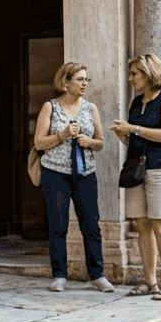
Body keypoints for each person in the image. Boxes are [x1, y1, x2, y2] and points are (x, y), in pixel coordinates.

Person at [33, 62, 114, 293]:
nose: (84, 83)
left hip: (85, 173)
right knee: (58, 225)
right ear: (65, 82)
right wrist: (62, 134)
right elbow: (39, 142)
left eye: (86, 79)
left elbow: (100, 142)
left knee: (91, 225)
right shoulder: (50, 107)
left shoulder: (91, 108)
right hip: (55, 174)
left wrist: (90, 142)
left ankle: (97, 275)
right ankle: (59, 275)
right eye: (79, 79)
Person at [110, 53, 161, 301]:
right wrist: (124, 134)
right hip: (137, 169)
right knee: (141, 224)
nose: (130, 78)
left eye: (134, 74)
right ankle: (150, 281)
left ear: (149, 73)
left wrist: (134, 129)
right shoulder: (136, 102)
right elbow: (136, 137)